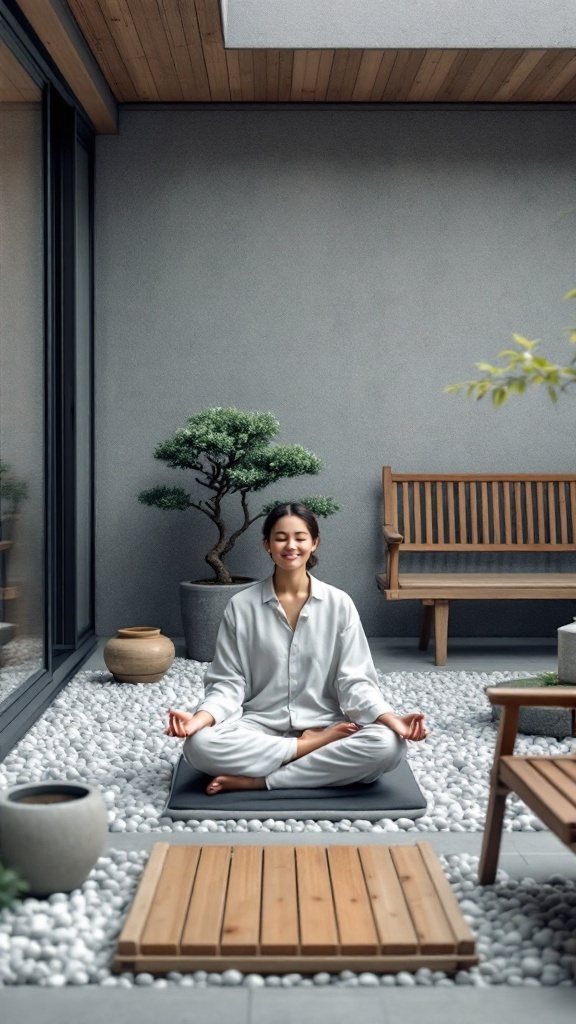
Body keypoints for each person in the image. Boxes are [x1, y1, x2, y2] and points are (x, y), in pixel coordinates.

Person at [165, 502, 428, 795]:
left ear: (314, 543)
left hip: (328, 724)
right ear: (267, 545)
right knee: (199, 746)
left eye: (300, 537)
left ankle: (262, 780)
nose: (291, 545)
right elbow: (228, 683)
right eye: (280, 538)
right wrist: (198, 720)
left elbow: (355, 681)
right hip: (261, 727)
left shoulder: (339, 604)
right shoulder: (241, 606)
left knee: (388, 746)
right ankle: (307, 752)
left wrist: (391, 719)